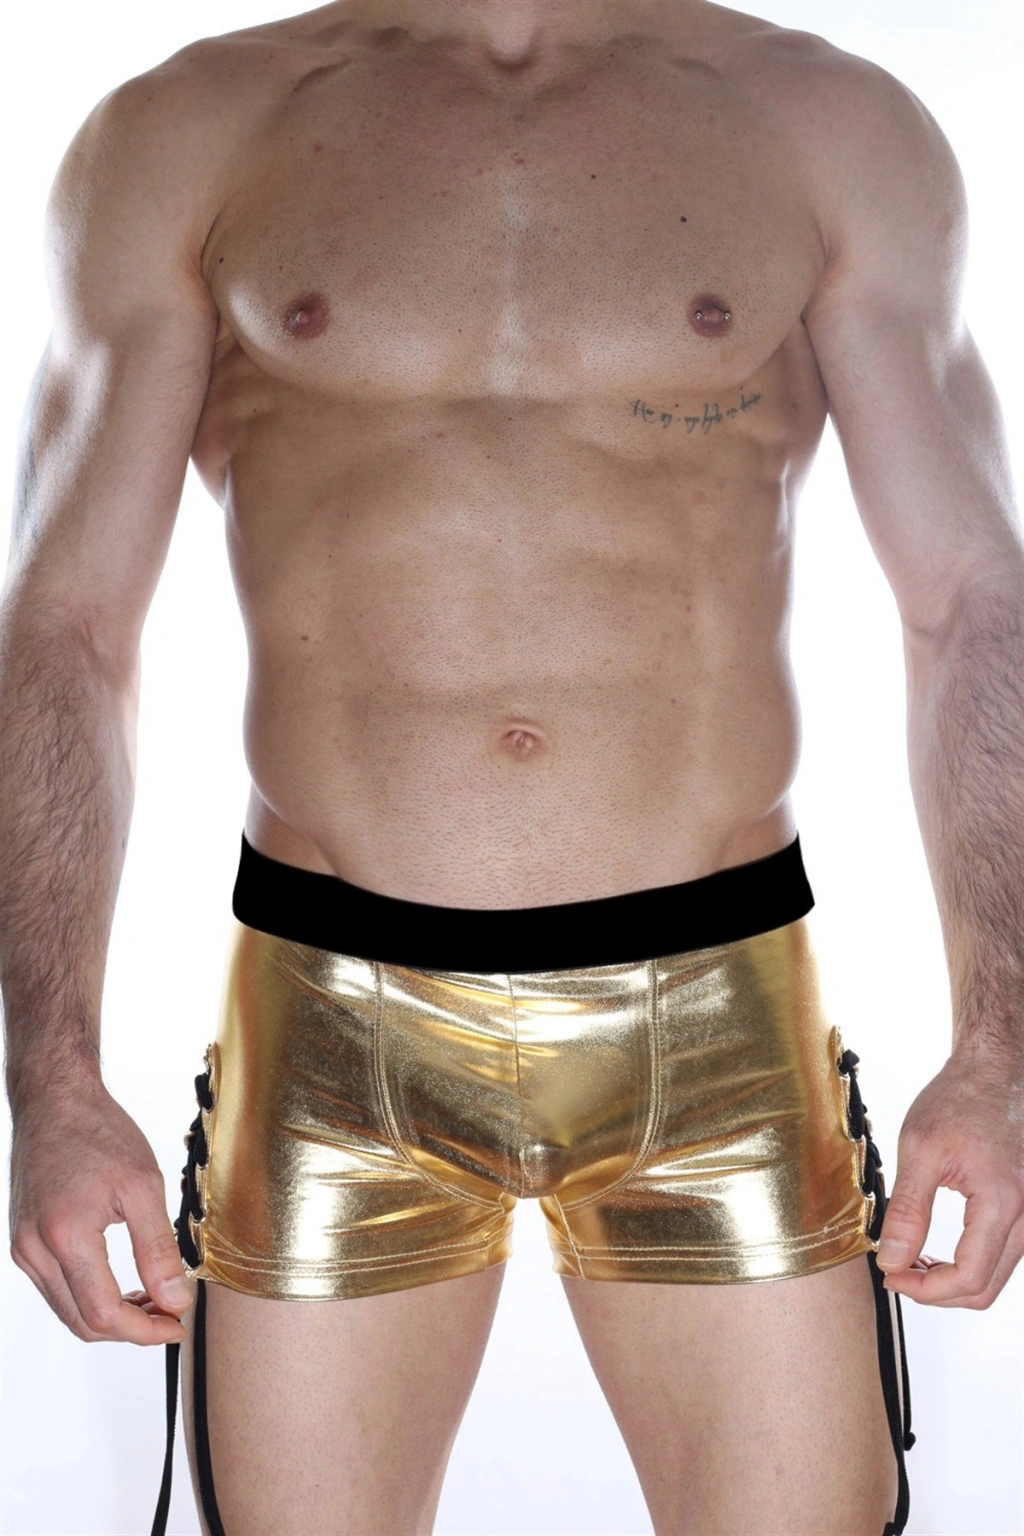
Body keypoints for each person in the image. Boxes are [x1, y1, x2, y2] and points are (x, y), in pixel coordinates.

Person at [2, 1, 1021, 1532]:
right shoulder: (192, 129)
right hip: (332, 1023)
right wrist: (52, 1080)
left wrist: (1003, 1045)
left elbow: (970, 606)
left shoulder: (825, 123)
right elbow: (68, 629)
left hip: (718, 1018)